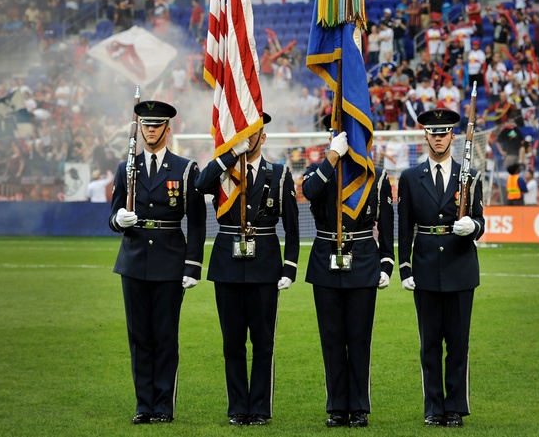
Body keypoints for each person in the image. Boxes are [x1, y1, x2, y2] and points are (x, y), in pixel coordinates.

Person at [195, 112, 300, 427]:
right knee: (232, 342)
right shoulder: (224, 172)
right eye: (244, 130)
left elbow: (293, 228)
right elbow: (200, 184)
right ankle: (238, 407)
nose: (249, 136)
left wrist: (289, 268)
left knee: (263, 341)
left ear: (263, 137)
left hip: (265, 266)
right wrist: (230, 152)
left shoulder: (279, 175)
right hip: (227, 265)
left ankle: (260, 408)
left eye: (254, 132)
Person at [109, 100, 205, 425]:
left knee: (165, 336)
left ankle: (163, 404)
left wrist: (193, 265)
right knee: (139, 337)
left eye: (157, 124)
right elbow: (112, 215)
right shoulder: (127, 168)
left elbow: (198, 221)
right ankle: (143, 404)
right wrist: (118, 219)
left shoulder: (185, 168)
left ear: (168, 128)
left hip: (169, 260)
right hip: (134, 260)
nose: (151, 130)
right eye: (146, 125)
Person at [301, 116, 395, 428]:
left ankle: (359, 407)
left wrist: (387, 262)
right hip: (326, 260)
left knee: (359, 337)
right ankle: (337, 407)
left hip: (364, 259)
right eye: (339, 133)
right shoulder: (318, 171)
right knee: (331, 338)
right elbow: (311, 191)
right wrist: (331, 156)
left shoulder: (376, 177)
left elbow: (387, 225)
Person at [396, 108, 485, 428]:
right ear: (425, 136)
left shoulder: (470, 176)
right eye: (433, 133)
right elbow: (404, 228)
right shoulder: (409, 177)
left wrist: (471, 226)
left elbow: (481, 220)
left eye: (444, 132)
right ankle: (434, 406)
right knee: (430, 343)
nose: (438, 138)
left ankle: (456, 407)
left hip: (461, 267)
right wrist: (405, 269)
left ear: (453, 136)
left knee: (458, 343)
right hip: (426, 267)